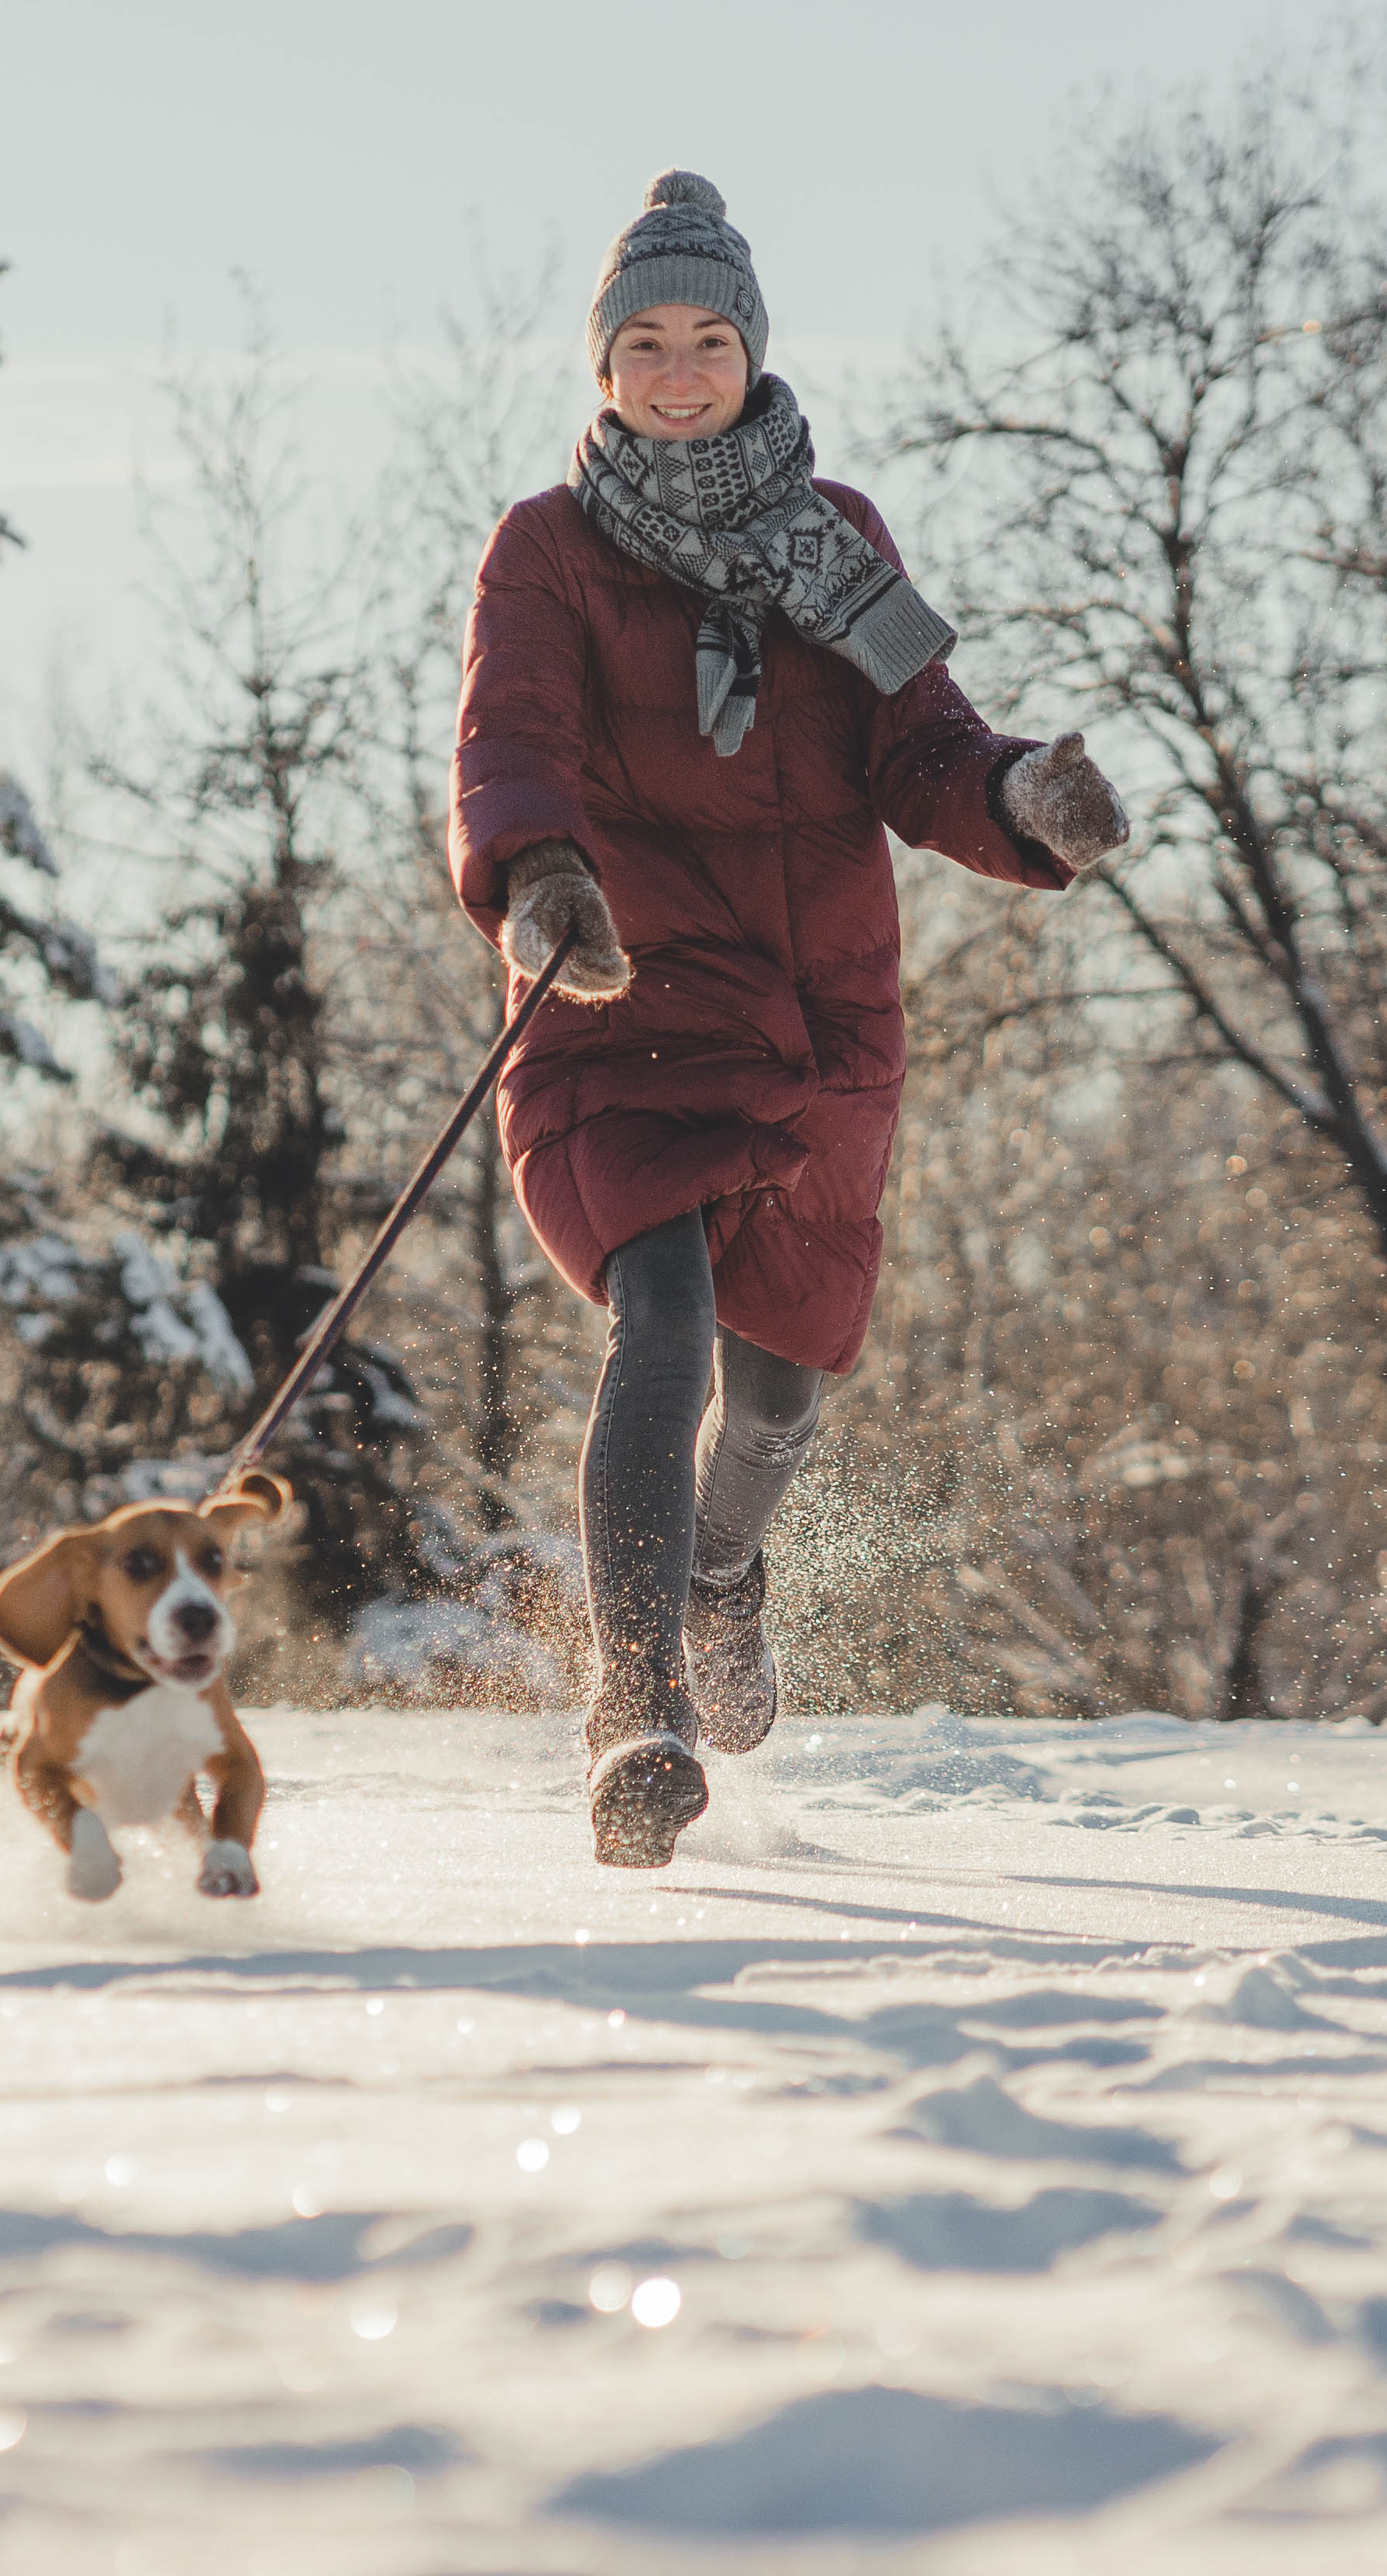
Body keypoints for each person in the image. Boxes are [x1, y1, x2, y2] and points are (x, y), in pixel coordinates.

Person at [452, 169, 1128, 1866]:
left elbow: (922, 749)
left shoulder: (841, 540)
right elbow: (511, 737)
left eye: (710, 340)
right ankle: (637, 1704)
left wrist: (1020, 800)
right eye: (647, 344)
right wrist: (541, 880)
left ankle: (725, 1571)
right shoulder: (547, 546)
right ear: (603, 367)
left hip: (816, 1023)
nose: (680, 372)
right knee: (658, 1312)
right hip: (616, 990)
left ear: (752, 352)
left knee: (774, 1396)